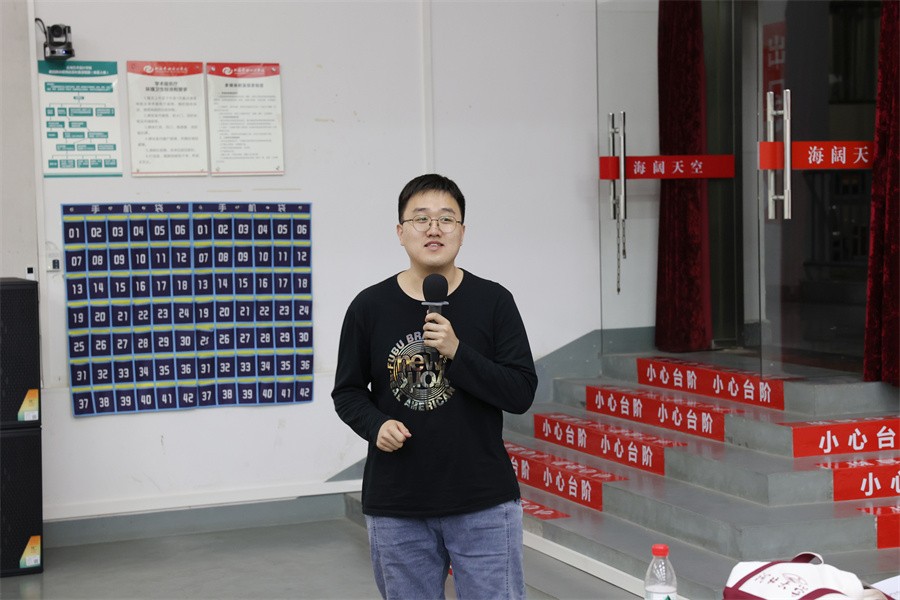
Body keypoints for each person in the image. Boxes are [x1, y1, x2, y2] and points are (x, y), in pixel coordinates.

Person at [332, 173, 538, 599]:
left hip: (482, 499)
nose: (434, 229)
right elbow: (347, 391)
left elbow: (520, 392)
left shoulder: (494, 301)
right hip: (398, 503)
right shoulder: (369, 307)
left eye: (446, 219)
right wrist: (375, 425)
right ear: (400, 232)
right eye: (421, 218)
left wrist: (457, 352)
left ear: (462, 231)